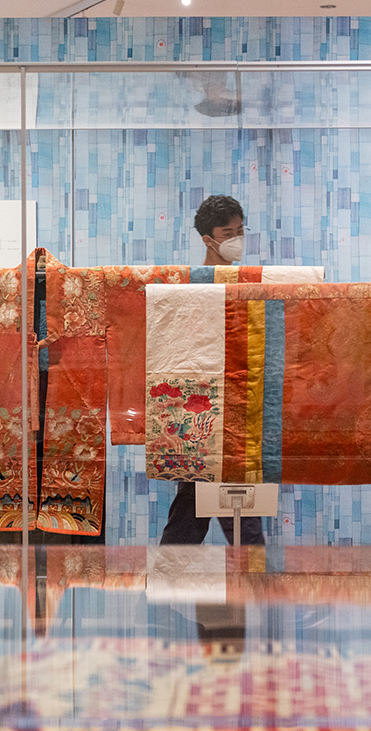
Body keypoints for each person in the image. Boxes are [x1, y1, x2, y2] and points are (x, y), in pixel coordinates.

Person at [158, 195, 266, 546]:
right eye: (227, 233)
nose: (236, 239)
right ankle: (173, 591)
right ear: (208, 239)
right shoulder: (189, 286)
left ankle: (173, 588)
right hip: (199, 420)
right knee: (196, 517)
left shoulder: (251, 284)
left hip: (239, 417)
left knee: (234, 522)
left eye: (240, 230)